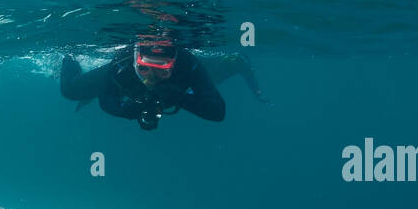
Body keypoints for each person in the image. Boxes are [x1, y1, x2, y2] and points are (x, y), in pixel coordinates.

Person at [60, 38, 267, 130]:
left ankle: (236, 62)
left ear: (173, 65)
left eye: (162, 70)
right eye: (144, 68)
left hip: (184, 82)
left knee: (215, 73)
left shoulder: (186, 64)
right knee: (70, 90)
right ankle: (69, 54)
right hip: (127, 84)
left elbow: (217, 112)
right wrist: (132, 111)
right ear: (135, 62)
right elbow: (106, 99)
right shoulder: (123, 64)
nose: (151, 77)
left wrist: (180, 97)